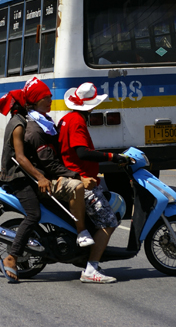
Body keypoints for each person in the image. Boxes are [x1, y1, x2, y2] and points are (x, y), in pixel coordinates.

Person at [0, 78, 95, 283]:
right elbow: (21, 158)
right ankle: (12, 257)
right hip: (17, 177)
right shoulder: (19, 125)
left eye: (50, 97)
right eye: (45, 98)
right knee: (34, 214)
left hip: (29, 175)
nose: (50, 100)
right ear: (31, 101)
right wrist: (41, 177)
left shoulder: (40, 121)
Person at [58, 82, 130, 284]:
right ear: (90, 106)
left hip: (80, 177)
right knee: (109, 222)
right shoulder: (77, 122)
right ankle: (91, 268)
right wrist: (112, 157)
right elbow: (82, 152)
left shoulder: (67, 119)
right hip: (83, 181)